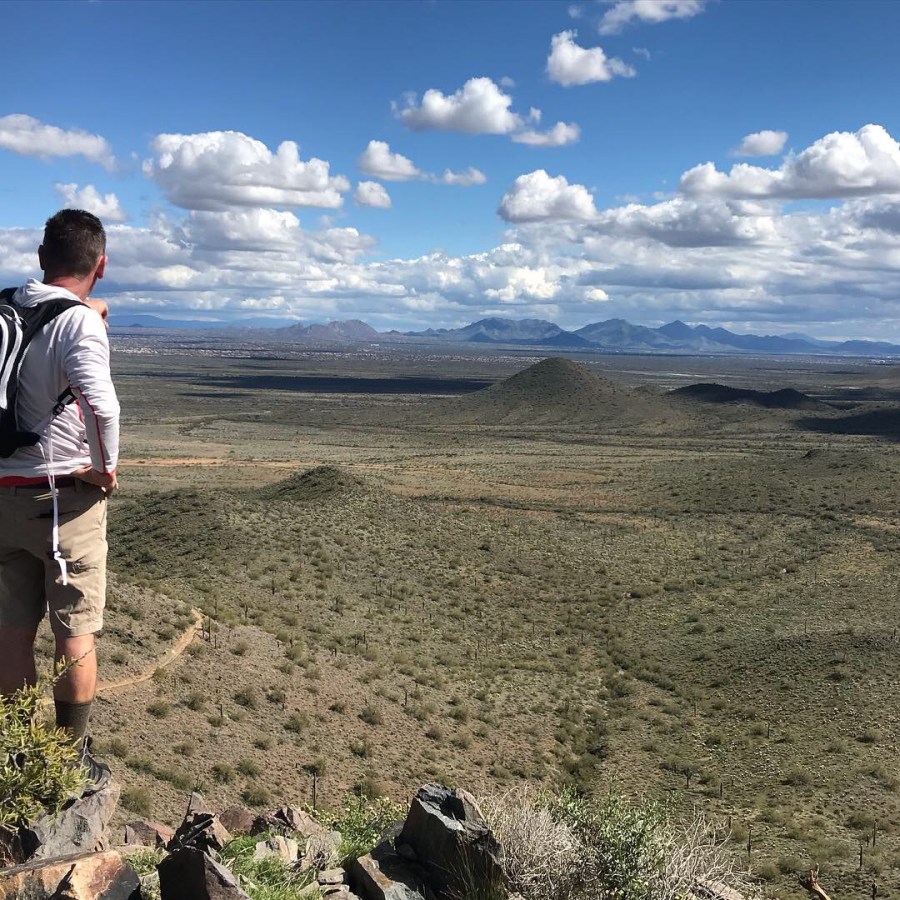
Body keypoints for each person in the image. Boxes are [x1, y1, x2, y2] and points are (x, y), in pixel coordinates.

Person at [0, 209, 120, 791]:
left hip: (3, 497)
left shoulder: (8, 308)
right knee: (75, 632)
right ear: (101, 264)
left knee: (10, 631)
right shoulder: (77, 324)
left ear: (41, 257)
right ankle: (66, 761)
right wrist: (104, 470)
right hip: (59, 501)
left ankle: (18, 755)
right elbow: (102, 408)